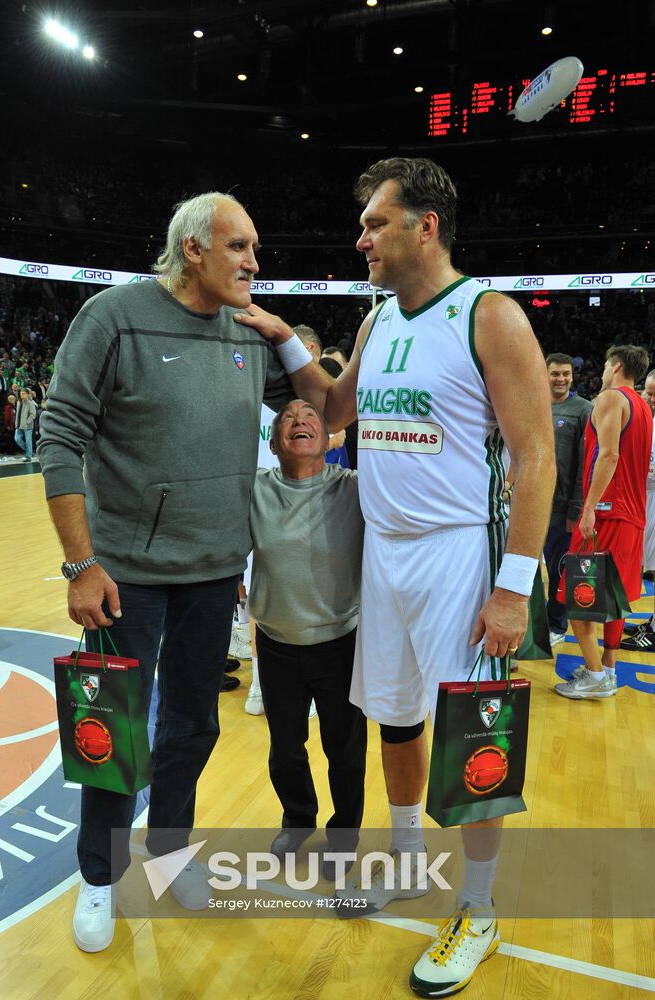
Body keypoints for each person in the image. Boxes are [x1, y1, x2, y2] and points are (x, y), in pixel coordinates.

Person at [236, 156, 555, 999]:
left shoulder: (488, 315)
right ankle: (407, 861)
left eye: (376, 222)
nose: (362, 237)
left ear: (427, 226)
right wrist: (283, 337)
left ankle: (479, 912)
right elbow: (333, 411)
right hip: (383, 550)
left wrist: (513, 586)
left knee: (471, 737)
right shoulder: (378, 320)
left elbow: (536, 458)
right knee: (398, 720)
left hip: (462, 550)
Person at [37, 191, 328, 954]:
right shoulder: (113, 317)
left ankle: (166, 853)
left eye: (254, 248)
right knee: (114, 732)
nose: (254, 264)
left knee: (192, 724)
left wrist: (283, 339)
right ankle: (98, 877)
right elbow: (60, 435)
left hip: (212, 574)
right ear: (193, 248)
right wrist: (81, 562)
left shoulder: (247, 332)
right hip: (122, 575)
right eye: (240, 247)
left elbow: (325, 407)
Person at [249, 398, 366, 877]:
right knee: (286, 746)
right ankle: (298, 819)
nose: (300, 421)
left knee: (344, 749)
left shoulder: (355, 489)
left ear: (329, 437)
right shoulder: (253, 490)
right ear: (275, 443)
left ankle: (344, 836)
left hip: (340, 642)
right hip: (275, 642)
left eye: (311, 416)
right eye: (289, 419)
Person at [555, 345, 652, 699]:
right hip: (633, 517)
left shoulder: (610, 399)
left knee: (575, 597)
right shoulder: (643, 405)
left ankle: (595, 678)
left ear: (616, 365)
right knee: (614, 600)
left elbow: (609, 455)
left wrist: (590, 507)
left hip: (608, 514)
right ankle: (608, 668)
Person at [543, 353, 593, 645]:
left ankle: (556, 625)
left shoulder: (583, 410)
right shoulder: (535, 404)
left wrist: (577, 509)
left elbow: (585, 466)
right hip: (536, 500)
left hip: (563, 506)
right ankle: (535, 621)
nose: (560, 379)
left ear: (572, 376)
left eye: (566, 374)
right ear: (545, 374)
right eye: (555, 374)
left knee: (559, 566)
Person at [621, 370, 655, 651]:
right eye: (650, 392)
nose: (651, 398)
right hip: (648, 499)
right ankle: (653, 623)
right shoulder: (650, 419)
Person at [14, 387, 38, 461]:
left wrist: (27, 422)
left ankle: (28, 456)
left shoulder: (31, 403)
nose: (22, 395)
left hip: (27, 426)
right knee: (17, 439)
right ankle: (29, 452)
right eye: (21, 393)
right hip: (19, 424)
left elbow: (33, 415)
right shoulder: (18, 402)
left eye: (23, 394)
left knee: (28, 441)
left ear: (27, 394)